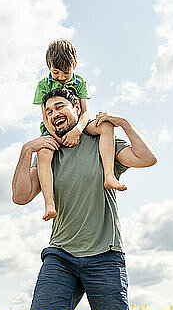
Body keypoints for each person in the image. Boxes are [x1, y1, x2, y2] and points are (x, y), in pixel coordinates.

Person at [12, 86, 157, 310]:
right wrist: (26, 150)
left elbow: (146, 158)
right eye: (49, 111)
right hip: (61, 256)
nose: (54, 114)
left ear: (77, 109)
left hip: (105, 255)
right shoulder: (47, 155)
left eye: (60, 107)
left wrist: (124, 124)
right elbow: (20, 196)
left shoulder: (100, 143)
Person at [33, 39, 126, 222]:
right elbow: (45, 116)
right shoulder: (43, 85)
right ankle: (49, 203)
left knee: (106, 125)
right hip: (53, 129)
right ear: (49, 68)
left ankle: (109, 175)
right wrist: (55, 136)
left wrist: (77, 130)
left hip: (79, 124)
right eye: (55, 72)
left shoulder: (80, 82)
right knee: (43, 153)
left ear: (74, 65)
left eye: (65, 72)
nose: (60, 77)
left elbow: (85, 112)